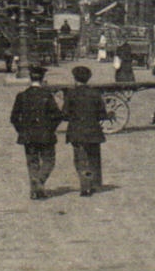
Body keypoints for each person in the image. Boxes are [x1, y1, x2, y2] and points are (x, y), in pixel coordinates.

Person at [9, 64, 64, 198]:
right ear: (42, 79)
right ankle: (39, 183)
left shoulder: (22, 96)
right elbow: (57, 116)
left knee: (32, 162)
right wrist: (51, 129)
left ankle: (35, 190)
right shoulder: (47, 95)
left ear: (30, 79)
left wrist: (21, 130)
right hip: (46, 135)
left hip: (28, 136)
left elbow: (14, 118)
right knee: (49, 161)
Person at [64, 65, 107, 196]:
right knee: (94, 158)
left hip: (76, 132)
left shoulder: (71, 94)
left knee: (81, 159)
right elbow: (102, 115)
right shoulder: (95, 94)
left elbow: (65, 114)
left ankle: (85, 186)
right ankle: (94, 184)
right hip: (93, 131)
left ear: (75, 79)